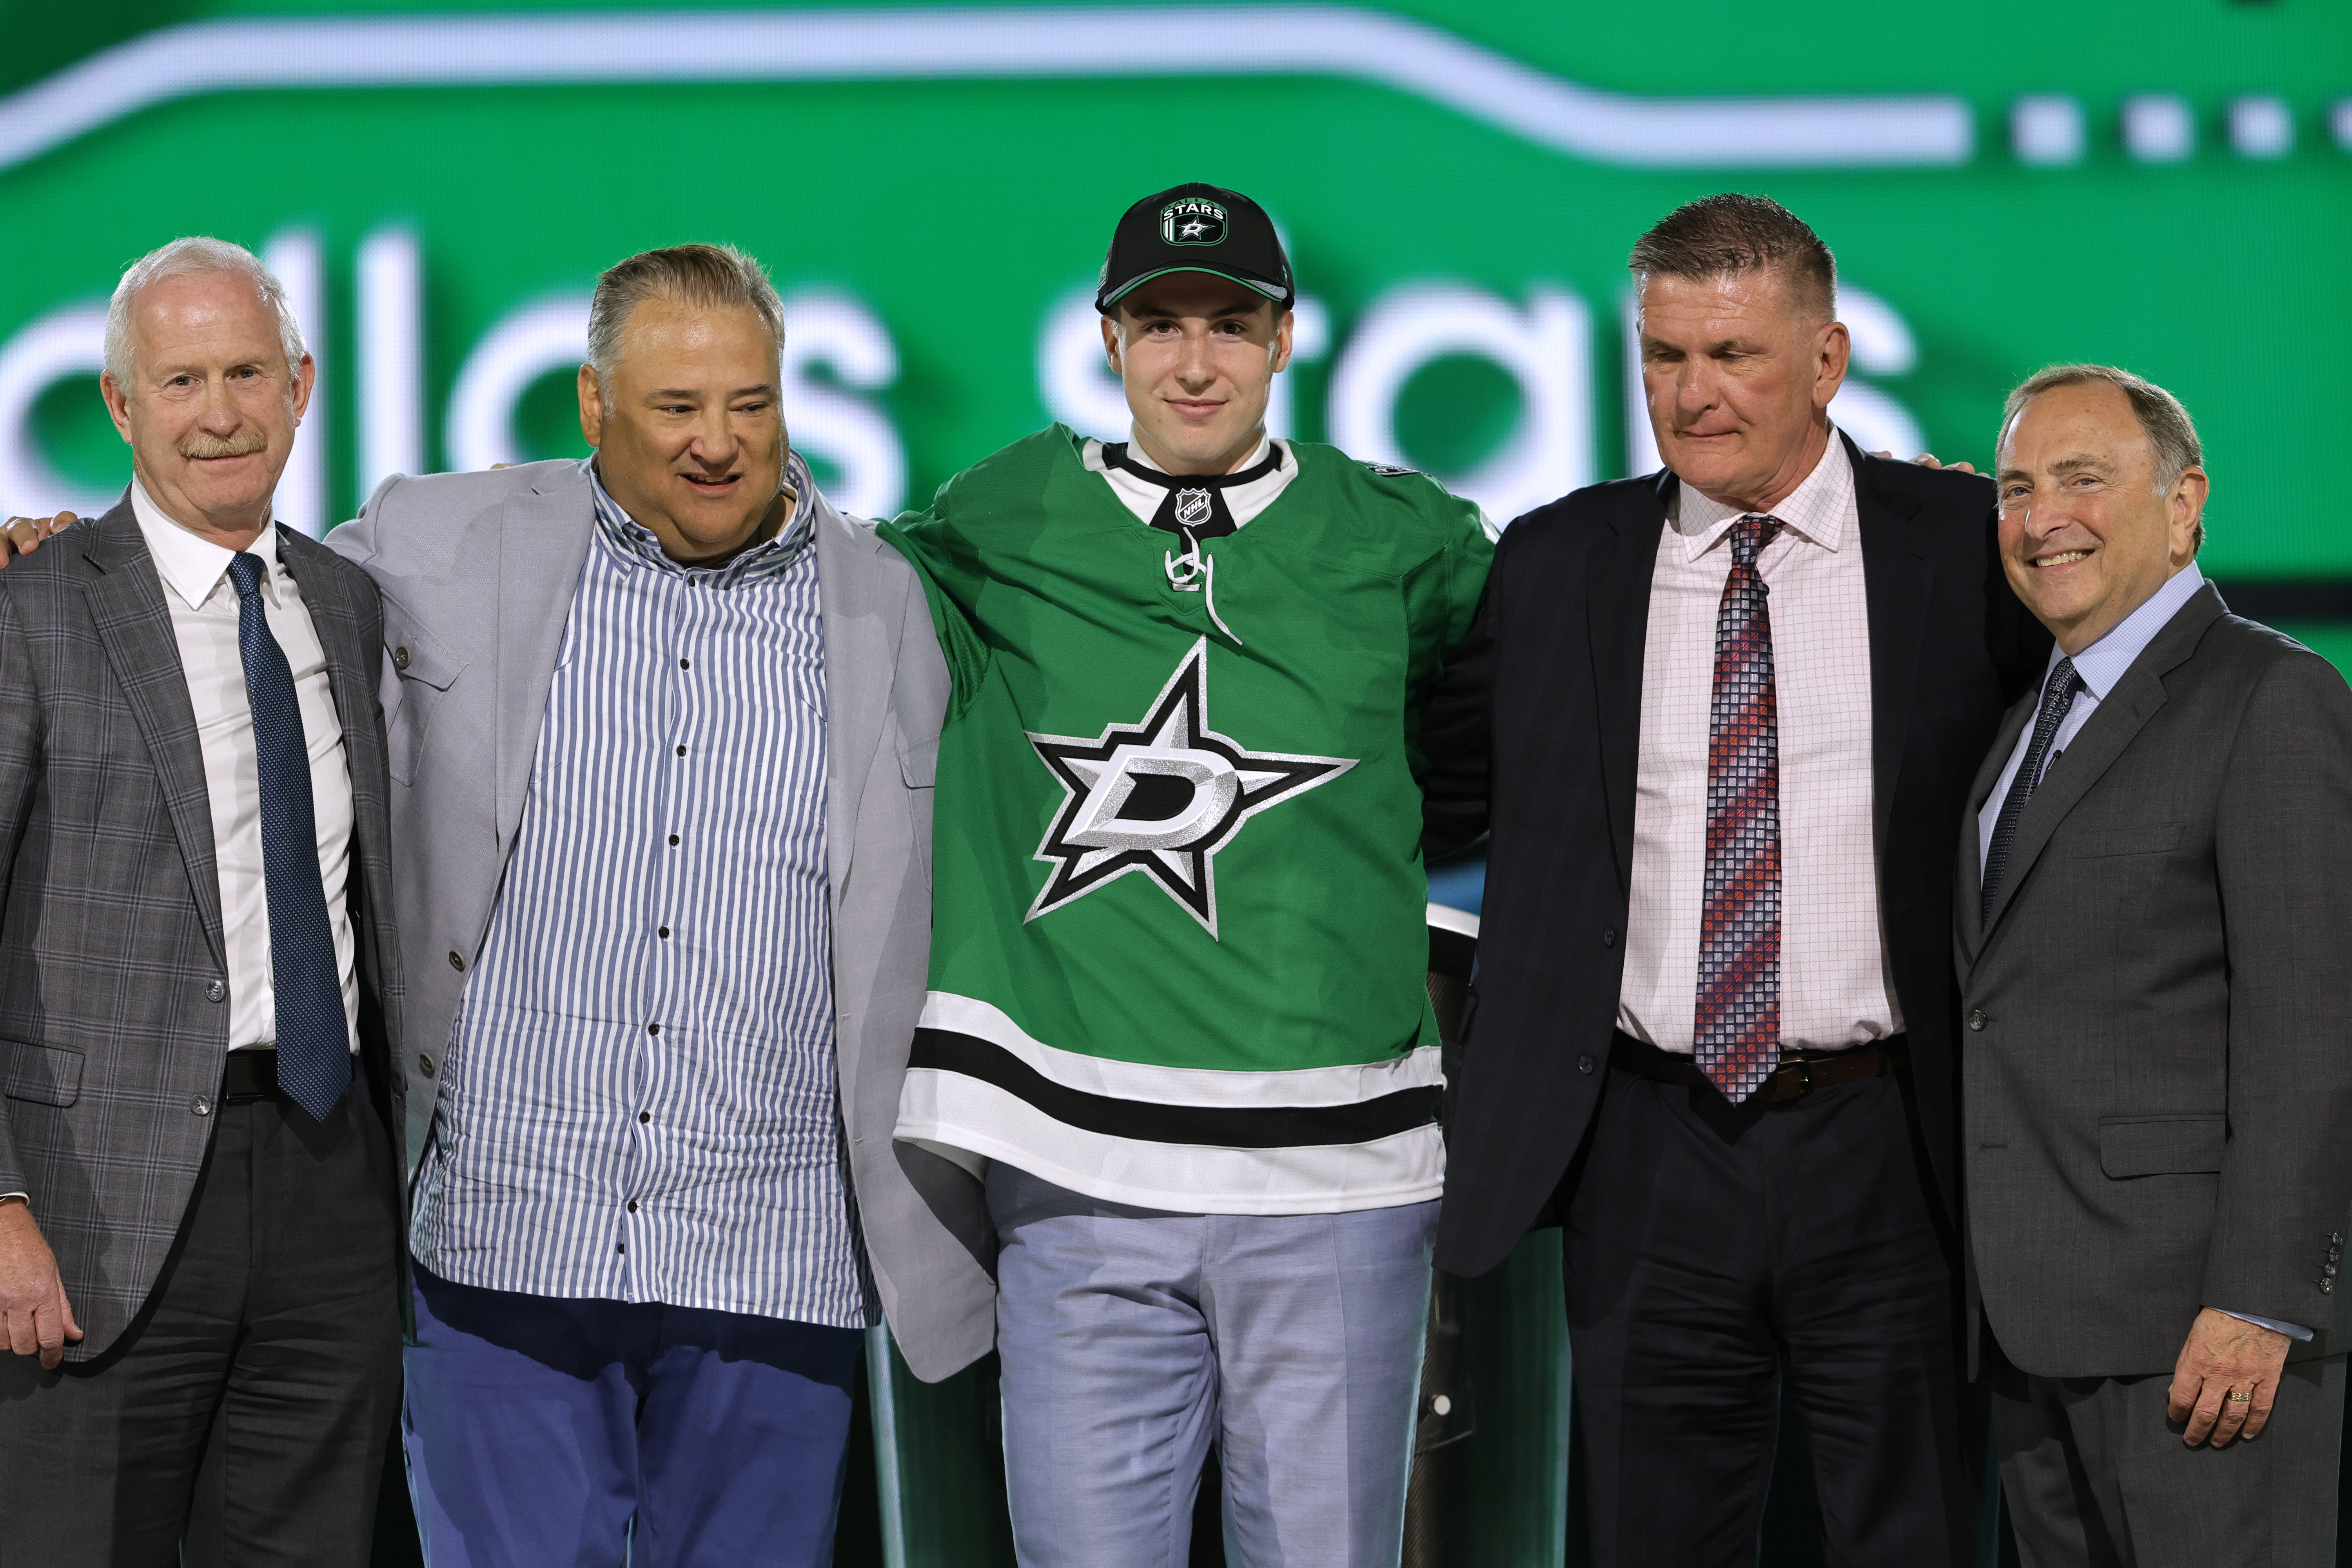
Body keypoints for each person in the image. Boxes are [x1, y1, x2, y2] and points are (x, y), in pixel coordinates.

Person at [3, 243, 989, 1566]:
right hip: (506, 1243)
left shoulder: (895, 602)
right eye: (675, 409)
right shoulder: (433, 543)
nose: (718, 444)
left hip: (773, 1244)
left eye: (749, 405)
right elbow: (208, 569)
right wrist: (51, 551)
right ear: (592, 407)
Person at [1419, 193, 2048, 1566]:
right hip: (1647, 1146)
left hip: (1900, 1147)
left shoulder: (1960, 550)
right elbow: (1432, 796)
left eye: (1735, 356)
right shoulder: (1557, 561)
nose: (1693, 397)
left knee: (1918, 1537)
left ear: (1826, 362)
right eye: (1664, 357)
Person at [882, 182, 1491, 1566]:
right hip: (1078, 1177)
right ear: (1107, 341)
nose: (1195, 360)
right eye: (1159, 324)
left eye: (1232, 322)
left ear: (1286, 339)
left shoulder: (1406, 537)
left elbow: (1573, 635)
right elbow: (812, 584)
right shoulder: (1004, 516)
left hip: (1340, 1181)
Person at [0, 238, 407, 1564]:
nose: (220, 413)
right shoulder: (34, 609)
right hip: (89, 1211)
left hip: (330, 1189)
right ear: (122, 406)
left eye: (246, 374)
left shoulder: (348, 604)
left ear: (301, 386)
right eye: (181, 381)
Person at [1960, 364, 2352, 1567]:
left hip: (2203, 1338)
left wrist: (2260, 1302)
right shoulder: (2027, 719)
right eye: (2017, 488)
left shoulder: (2272, 696)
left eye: (2084, 478)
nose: (2042, 517)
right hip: (2035, 1330)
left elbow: (2314, 1029)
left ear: (2187, 506)